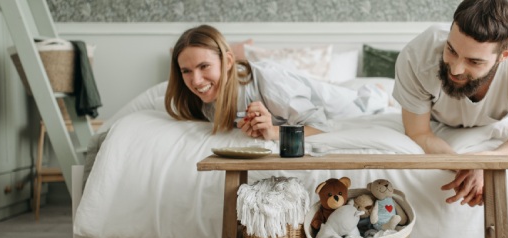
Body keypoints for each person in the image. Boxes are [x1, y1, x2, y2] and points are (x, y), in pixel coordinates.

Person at [393, 0, 508, 207]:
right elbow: (419, 132)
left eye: (474, 61)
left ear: (505, 55)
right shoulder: (416, 56)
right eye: (451, 50)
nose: (456, 69)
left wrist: (484, 163)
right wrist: (464, 165)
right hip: (435, 118)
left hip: (498, 121)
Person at [166, 24, 390, 140]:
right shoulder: (196, 97)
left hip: (337, 104)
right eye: (186, 71)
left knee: (366, 101)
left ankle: (377, 91)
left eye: (204, 66)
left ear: (228, 62)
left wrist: (274, 132)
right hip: (300, 93)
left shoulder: (268, 83)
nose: (196, 81)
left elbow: (320, 124)